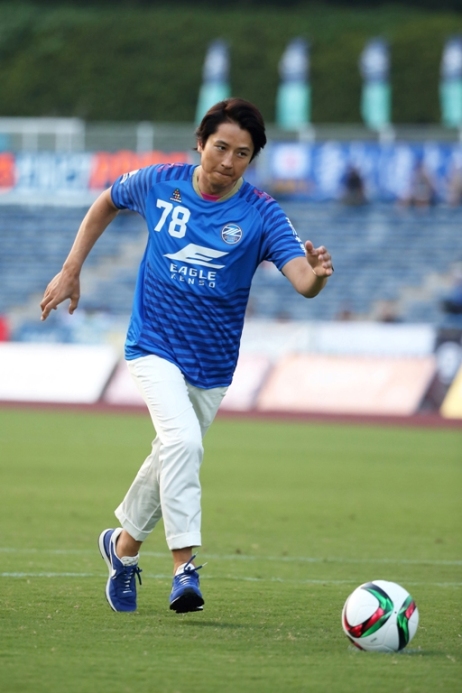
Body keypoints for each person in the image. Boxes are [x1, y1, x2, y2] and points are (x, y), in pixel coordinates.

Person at [40, 98, 334, 614]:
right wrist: (71, 268)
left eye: (242, 154)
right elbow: (106, 201)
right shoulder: (160, 182)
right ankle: (184, 569)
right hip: (152, 345)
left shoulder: (262, 213)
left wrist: (318, 275)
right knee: (183, 442)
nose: (228, 161)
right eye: (221, 147)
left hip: (213, 366)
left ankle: (122, 549)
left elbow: (303, 281)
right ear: (200, 143)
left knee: (170, 455)